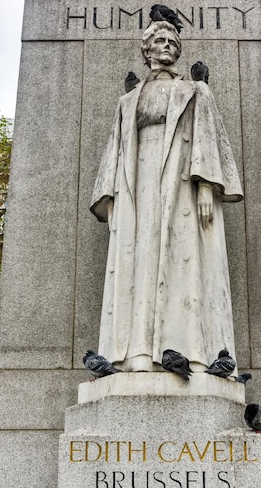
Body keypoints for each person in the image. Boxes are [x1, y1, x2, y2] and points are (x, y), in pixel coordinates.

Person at [91, 20, 243, 373]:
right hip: (137, 186)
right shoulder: (127, 101)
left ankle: (191, 353)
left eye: (173, 40)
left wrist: (206, 185)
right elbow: (115, 149)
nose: (167, 45)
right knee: (139, 263)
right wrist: (110, 198)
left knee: (183, 263)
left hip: (181, 182)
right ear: (146, 51)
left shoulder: (195, 91)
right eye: (159, 40)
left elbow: (207, 137)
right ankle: (137, 354)